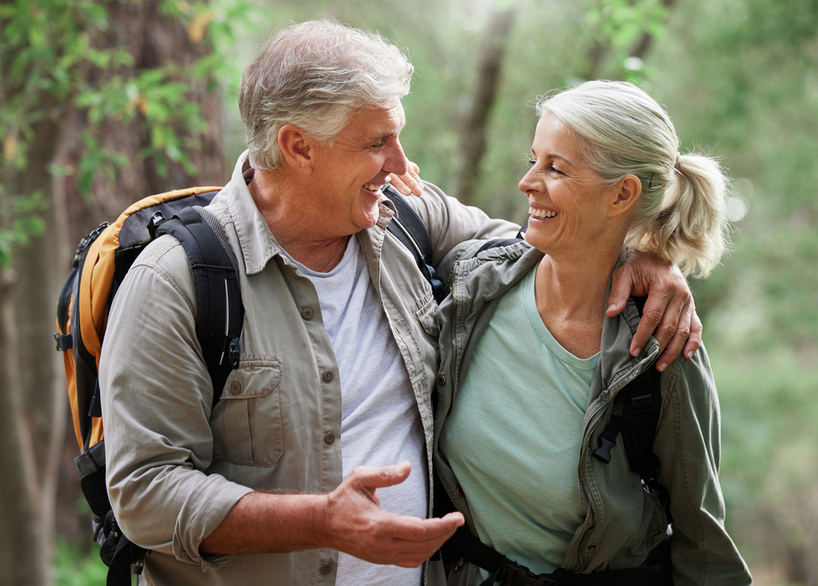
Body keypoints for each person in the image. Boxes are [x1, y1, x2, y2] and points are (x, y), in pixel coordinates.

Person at [100, 21, 700, 586]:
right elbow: (144, 493)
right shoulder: (177, 281)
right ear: (298, 146)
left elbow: (550, 243)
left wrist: (644, 253)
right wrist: (321, 521)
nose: (400, 163)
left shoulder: (408, 221)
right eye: (377, 141)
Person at [433, 80, 752, 585]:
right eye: (533, 159)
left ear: (622, 193)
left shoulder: (662, 350)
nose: (528, 182)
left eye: (555, 168)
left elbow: (704, 543)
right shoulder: (477, 282)